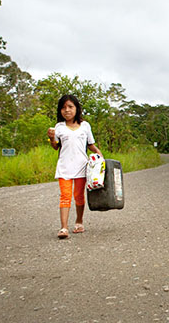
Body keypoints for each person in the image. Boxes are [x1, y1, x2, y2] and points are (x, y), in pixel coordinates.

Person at [47, 95, 102, 239]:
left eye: (70, 107)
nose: (67, 110)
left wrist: (98, 153)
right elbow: (55, 146)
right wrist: (52, 138)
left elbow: (90, 144)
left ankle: (79, 221)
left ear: (76, 108)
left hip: (81, 167)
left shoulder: (85, 126)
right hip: (64, 167)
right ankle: (64, 228)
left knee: (78, 196)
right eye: (63, 108)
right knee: (65, 197)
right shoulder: (59, 127)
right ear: (60, 111)